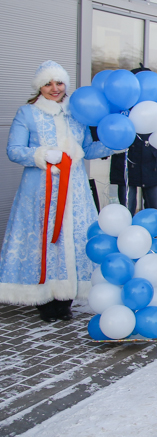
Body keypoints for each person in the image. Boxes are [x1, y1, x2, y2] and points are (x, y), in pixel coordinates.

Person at [0, 60, 115, 322]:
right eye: (48, 83)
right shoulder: (27, 113)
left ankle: (66, 300)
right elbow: (14, 150)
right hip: (40, 192)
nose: (55, 88)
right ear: (39, 87)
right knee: (44, 241)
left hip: (75, 191)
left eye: (59, 82)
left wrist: (112, 144)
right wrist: (41, 154)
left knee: (73, 240)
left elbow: (87, 149)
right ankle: (44, 300)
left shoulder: (78, 113)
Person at [109, 66, 157, 215]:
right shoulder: (120, 104)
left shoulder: (155, 106)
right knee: (126, 211)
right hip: (126, 163)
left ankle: (153, 230)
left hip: (152, 163)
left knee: (153, 211)